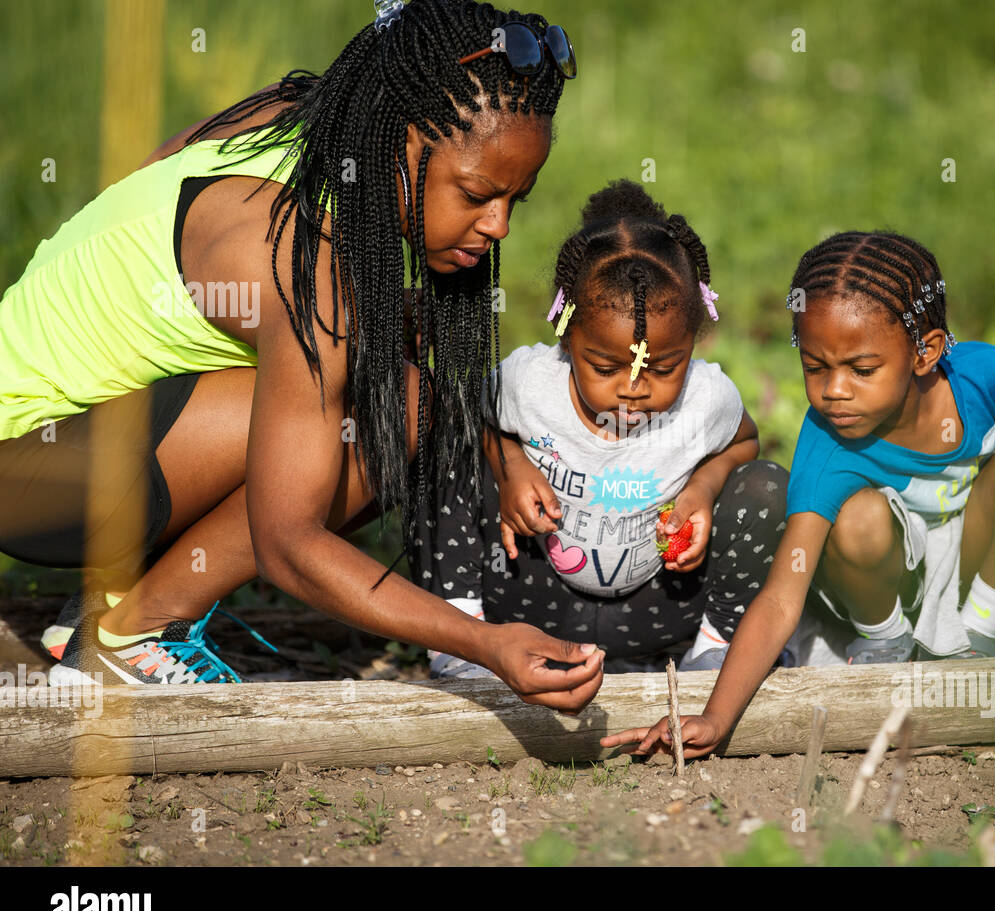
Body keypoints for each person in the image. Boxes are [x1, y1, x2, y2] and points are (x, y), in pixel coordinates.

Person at [0, 0, 605, 711]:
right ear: (398, 140)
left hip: (68, 444)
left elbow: (150, 174)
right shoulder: (300, 260)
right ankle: (133, 637)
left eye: (516, 201)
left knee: (379, 349)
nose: (497, 226)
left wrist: (496, 446)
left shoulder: (298, 113)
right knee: (398, 406)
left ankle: (119, 595)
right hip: (28, 474)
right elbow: (287, 543)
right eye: (476, 193)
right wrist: (489, 644)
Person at [601, 229, 995, 757]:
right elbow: (780, 598)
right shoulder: (828, 443)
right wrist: (716, 718)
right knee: (855, 518)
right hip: (891, 582)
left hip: (974, 564)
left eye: (861, 369)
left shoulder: (977, 375)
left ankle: (976, 644)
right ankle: (886, 642)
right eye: (814, 367)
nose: (834, 391)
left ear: (926, 352)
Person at [427, 180, 791, 676]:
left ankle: (715, 648)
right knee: (443, 450)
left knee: (768, 487)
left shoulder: (706, 400)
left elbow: (745, 441)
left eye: (663, 369)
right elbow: (466, 422)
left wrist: (703, 488)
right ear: (566, 333)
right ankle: (459, 641)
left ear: (694, 338)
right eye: (604, 368)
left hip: (659, 608)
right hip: (533, 603)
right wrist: (508, 463)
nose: (634, 389)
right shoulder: (529, 383)